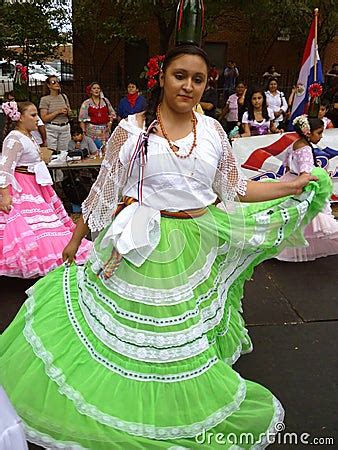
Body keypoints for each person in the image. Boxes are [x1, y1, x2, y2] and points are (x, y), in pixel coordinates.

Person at [0, 45, 331, 449]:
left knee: (179, 337)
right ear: (162, 78)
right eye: (180, 76)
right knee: (141, 336)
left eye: (198, 79)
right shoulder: (132, 129)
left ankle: (171, 404)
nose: (188, 86)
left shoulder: (211, 131)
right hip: (142, 246)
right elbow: (105, 191)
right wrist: (75, 238)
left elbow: (235, 189)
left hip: (196, 239)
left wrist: (292, 185)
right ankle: (128, 407)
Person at [0, 101, 92, 278]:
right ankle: (32, 265)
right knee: (31, 226)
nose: (38, 119)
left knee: (44, 224)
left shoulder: (27, 135)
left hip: (35, 184)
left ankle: (47, 261)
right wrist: (4, 195)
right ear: (19, 117)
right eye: (33, 115)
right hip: (23, 187)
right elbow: (5, 167)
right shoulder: (14, 138)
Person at [277, 115, 338, 262]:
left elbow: (286, 166)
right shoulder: (305, 150)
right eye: (319, 133)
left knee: (295, 220)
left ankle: (290, 250)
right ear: (308, 133)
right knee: (309, 217)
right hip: (300, 185)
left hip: (289, 180)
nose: (321, 136)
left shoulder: (294, 144)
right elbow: (305, 173)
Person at [78, 82, 116, 149]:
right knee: (94, 151)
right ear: (90, 91)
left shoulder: (105, 101)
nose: (96, 90)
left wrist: (110, 123)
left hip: (105, 131)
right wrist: (83, 132)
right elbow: (82, 119)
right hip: (91, 132)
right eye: (94, 88)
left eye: (98, 88)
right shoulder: (86, 103)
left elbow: (112, 113)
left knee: (105, 151)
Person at [39, 76, 72, 153]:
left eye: (58, 81)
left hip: (65, 127)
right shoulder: (45, 99)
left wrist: (69, 112)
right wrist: (58, 112)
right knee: (51, 151)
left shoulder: (64, 96)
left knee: (64, 152)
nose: (57, 84)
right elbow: (44, 118)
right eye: (53, 82)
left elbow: (70, 112)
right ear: (48, 85)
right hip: (52, 128)